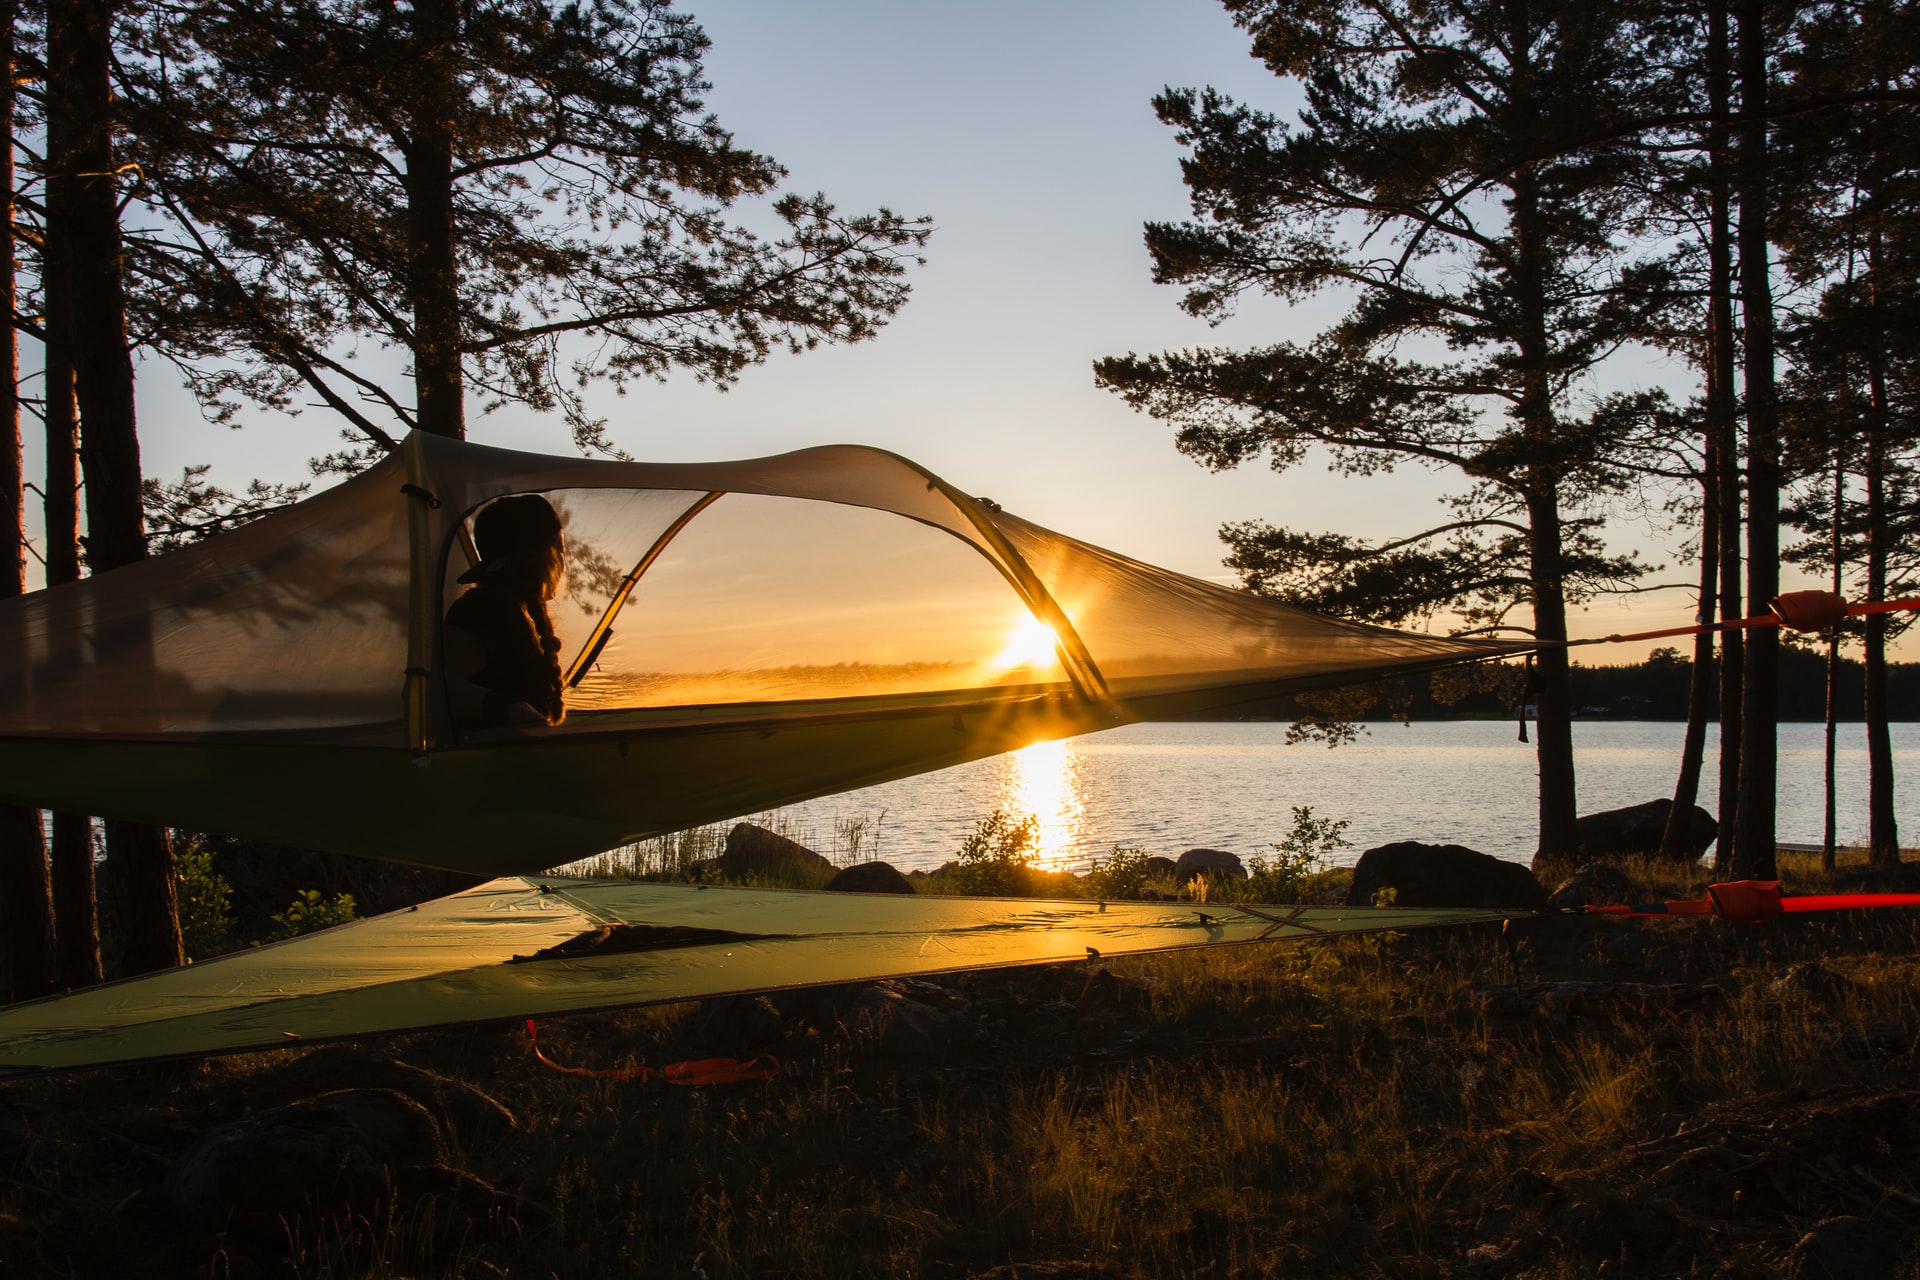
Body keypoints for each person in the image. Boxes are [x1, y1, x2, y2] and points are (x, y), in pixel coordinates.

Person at [443, 494, 568, 728]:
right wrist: (509, 708)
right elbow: (428, 687)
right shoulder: (482, 611)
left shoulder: (514, 612)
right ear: (539, 557)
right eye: (558, 549)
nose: (561, 560)